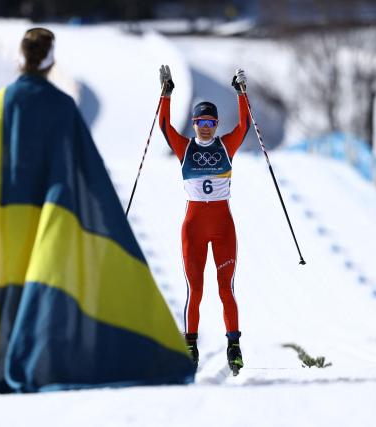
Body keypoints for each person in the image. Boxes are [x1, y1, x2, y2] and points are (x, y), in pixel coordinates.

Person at [0, 29, 195, 398]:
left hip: (3, 221)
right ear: (51, 60)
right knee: (42, 294)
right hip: (49, 220)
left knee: (5, 292)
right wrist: (106, 217)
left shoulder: (0, 103)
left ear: (20, 58)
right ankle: (32, 362)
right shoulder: (62, 107)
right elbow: (86, 171)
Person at [158, 64, 250, 375]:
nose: (206, 127)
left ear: (216, 123)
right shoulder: (185, 147)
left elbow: (245, 125)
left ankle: (234, 344)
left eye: (210, 122)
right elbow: (165, 127)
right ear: (195, 124)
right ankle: (190, 344)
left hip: (223, 227)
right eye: (201, 122)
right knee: (194, 289)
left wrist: (242, 94)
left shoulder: (226, 145)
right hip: (193, 228)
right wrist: (165, 94)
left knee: (226, 288)